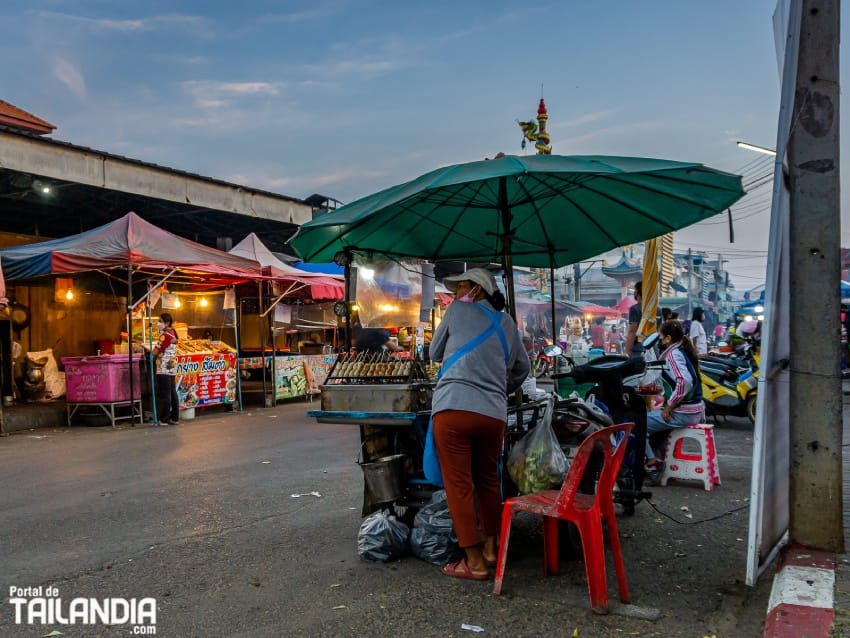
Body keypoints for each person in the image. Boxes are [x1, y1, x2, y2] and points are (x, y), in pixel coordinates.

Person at [430, 268, 530, 581]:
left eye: (460, 286)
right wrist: (498, 386)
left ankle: (472, 562)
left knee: (459, 484)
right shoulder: (508, 323)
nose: (456, 293)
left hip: (453, 407)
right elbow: (522, 368)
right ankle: (490, 549)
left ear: (476, 290)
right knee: (488, 480)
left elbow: (434, 353)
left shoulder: (457, 310)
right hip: (492, 414)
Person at [644, 320, 705, 483]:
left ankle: (652, 463)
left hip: (684, 413)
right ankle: (661, 461)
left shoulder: (673, 354)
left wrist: (669, 406)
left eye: (662, 338)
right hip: (694, 410)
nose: (660, 342)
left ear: (669, 338)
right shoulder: (681, 350)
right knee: (653, 419)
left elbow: (685, 382)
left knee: (637, 423)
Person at [151, 312, 180, 426]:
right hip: (172, 366)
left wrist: (152, 353)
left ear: (167, 323)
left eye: (160, 321)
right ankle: (175, 418)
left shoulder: (165, 335)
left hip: (163, 366)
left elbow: (156, 351)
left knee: (165, 393)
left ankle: (164, 419)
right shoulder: (173, 333)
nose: (158, 323)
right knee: (172, 391)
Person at [624, 281, 642, 356]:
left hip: (638, 349)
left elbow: (632, 331)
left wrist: (627, 351)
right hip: (654, 350)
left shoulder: (634, 309)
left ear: (637, 292)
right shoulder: (658, 310)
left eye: (635, 290)